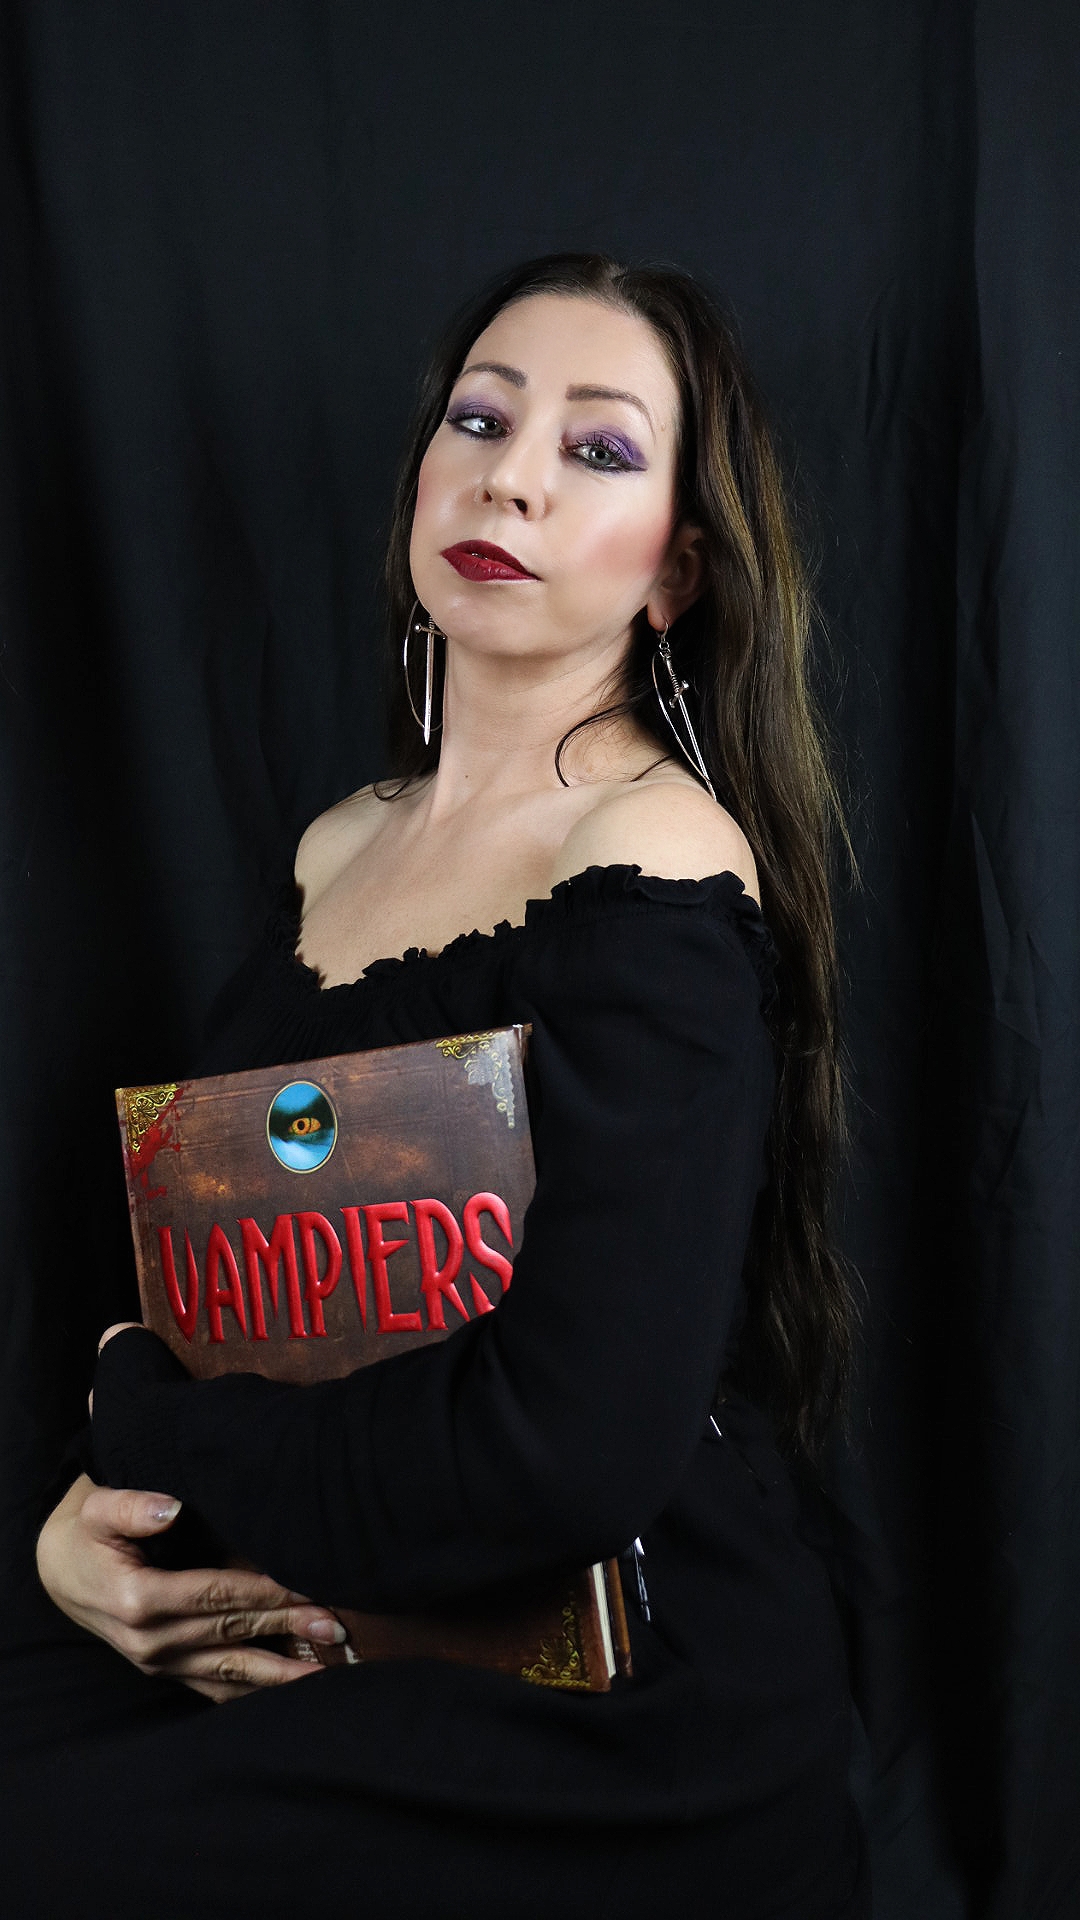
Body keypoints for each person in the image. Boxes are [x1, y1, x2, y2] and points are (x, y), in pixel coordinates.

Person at [3, 253, 869, 1917]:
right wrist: (93, 1532)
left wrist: (150, 1425)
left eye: (597, 448)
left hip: (602, 1680)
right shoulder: (338, 843)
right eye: (479, 418)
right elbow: (247, 1291)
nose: (510, 476)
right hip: (309, 1592)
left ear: (675, 572)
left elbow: (570, 1447)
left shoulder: (657, 856)